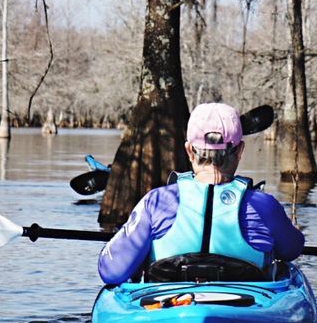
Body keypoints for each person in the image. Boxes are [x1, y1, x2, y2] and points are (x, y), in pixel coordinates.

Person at [98, 102, 305, 284]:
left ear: (189, 151)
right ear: (239, 151)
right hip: (245, 307)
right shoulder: (264, 205)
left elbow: (110, 271)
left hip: (167, 307)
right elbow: (292, 250)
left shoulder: (158, 201)